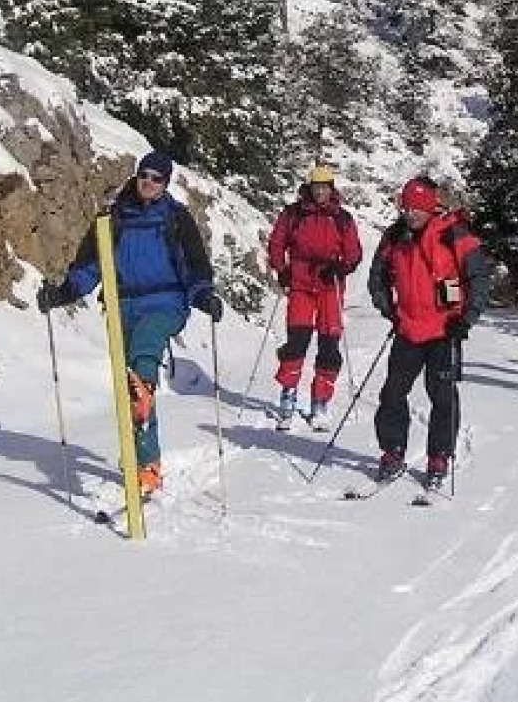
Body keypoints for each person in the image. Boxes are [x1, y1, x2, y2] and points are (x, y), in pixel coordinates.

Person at [37, 150, 223, 495]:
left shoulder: (176, 219)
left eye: (157, 179)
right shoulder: (112, 219)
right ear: (137, 176)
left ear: (166, 184)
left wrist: (203, 296)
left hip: (166, 303)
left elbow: (194, 265)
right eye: (145, 175)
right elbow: (90, 266)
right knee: (132, 387)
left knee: (145, 354)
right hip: (122, 307)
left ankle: (144, 398)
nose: (149, 183)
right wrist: (61, 294)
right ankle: (147, 463)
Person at [367, 176, 489, 488]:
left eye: (417, 208)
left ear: (430, 208)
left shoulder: (454, 235)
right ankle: (393, 451)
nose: (411, 213)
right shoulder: (395, 237)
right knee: (393, 393)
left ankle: (439, 456)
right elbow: (377, 277)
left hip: (444, 331)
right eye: (406, 207)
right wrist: (389, 310)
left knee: (443, 396)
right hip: (408, 328)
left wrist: (466, 319)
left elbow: (479, 281)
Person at [266, 164, 364, 429]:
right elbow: (277, 242)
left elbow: (354, 252)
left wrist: (342, 266)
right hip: (300, 282)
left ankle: (320, 401)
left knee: (329, 344)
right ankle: (288, 393)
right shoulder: (293, 214)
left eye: (325, 187)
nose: (320, 192)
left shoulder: (342, 218)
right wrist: (282, 269)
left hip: (329, 285)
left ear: (331, 189)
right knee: (297, 341)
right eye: (316, 187)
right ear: (309, 188)